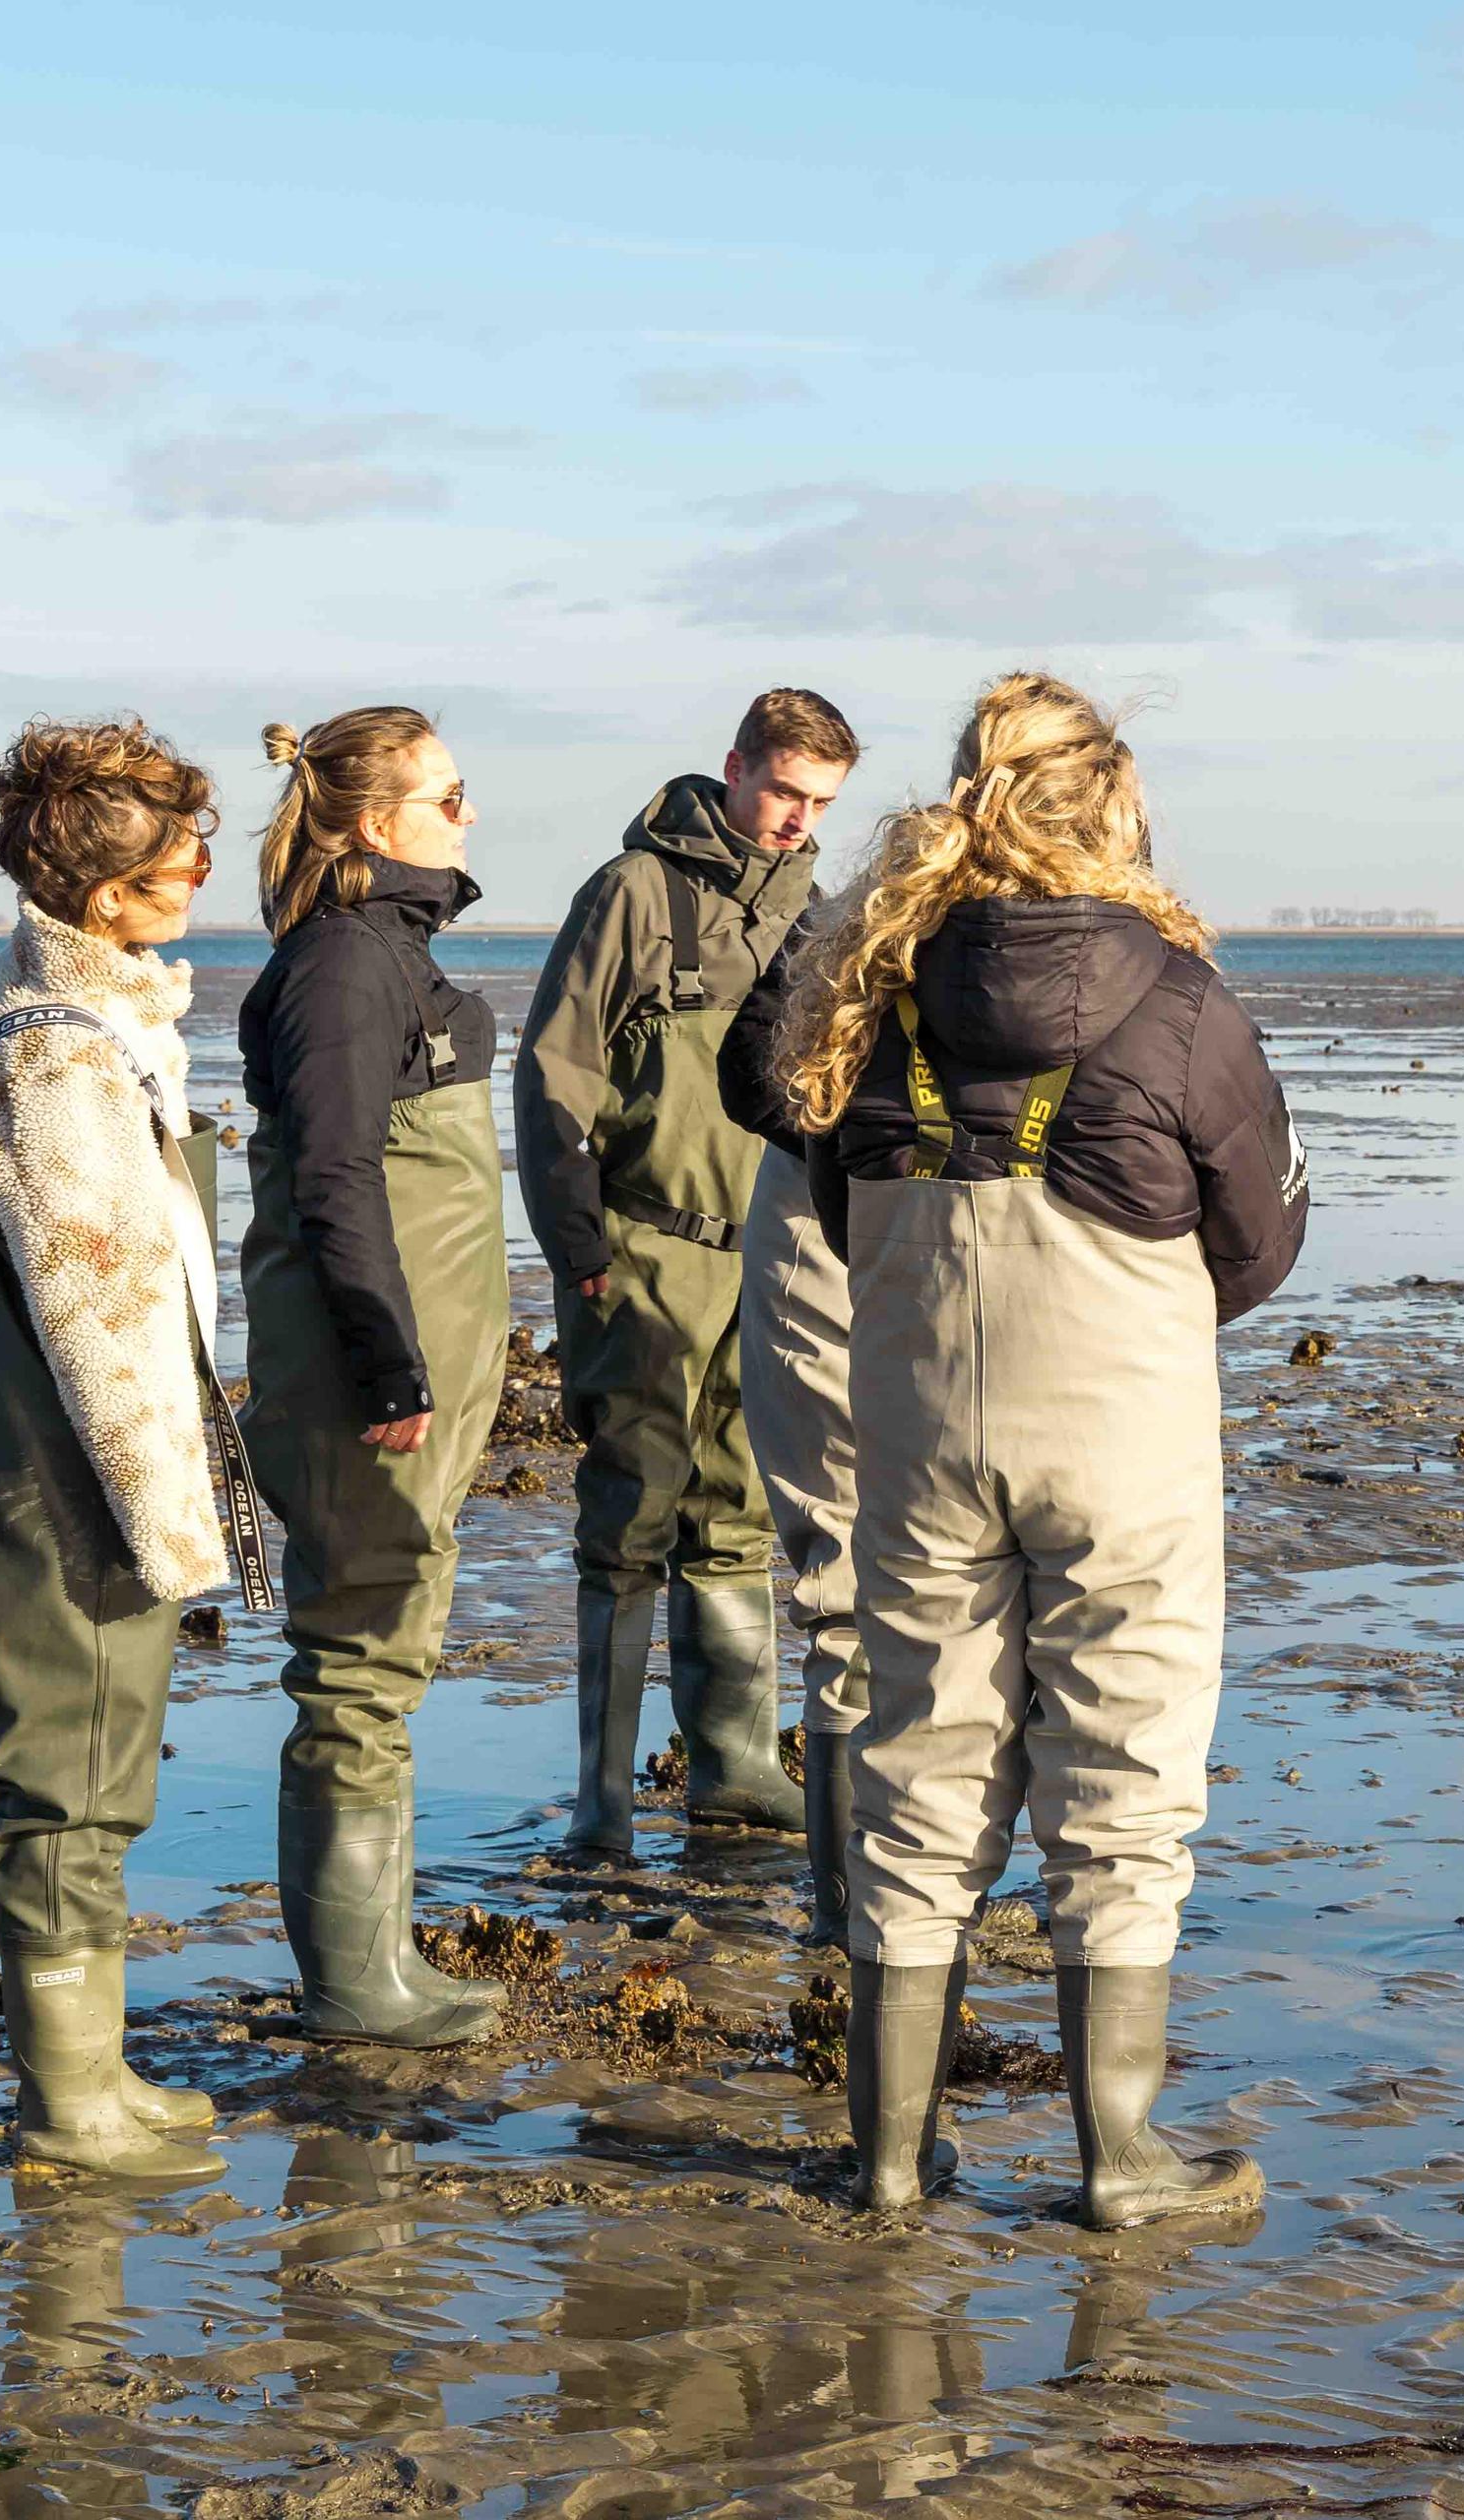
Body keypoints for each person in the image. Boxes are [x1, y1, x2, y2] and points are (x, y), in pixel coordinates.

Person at [775, 670, 1309, 2227]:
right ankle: (1123, 2157)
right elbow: (1263, 1233)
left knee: (920, 1763)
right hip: (1122, 1431)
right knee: (1125, 1773)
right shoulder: (1183, 999)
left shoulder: (872, 987)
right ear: (1117, 812)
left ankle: (886, 2158)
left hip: (924, 1428)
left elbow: (828, 1205)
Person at [0, 717, 264, 2179]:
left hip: (58, 1437)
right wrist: (170, 1515)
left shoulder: (86, 1011)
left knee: (103, 1747)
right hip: (57, 1454)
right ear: (107, 892)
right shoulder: (55, 1047)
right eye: (178, 847)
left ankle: (97, 2075)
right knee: (65, 1754)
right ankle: (68, 2104)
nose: (203, 861)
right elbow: (101, 1306)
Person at [516, 690, 859, 1858]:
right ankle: (601, 1805)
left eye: (818, 804)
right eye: (781, 792)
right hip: (641, 1253)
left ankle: (734, 1769)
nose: (793, 820)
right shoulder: (632, 894)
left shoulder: (821, 911)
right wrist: (580, 1252)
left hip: (770, 1256)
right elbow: (551, 1073)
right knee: (626, 1522)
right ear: (733, 769)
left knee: (742, 1515)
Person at [237, 707, 511, 2049]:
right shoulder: (346, 965)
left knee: (386, 1646)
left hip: (409, 1376)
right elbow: (337, 1174)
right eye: (450, 800)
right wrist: (391, 1364)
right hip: (367, 1382)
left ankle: (378, 1960)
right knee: (356, 1650)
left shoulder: (381, 954)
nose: (470, 822)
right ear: (370, 821)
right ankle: (355, 1984)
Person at [722, 891, 858, 1943]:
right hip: (829, 1242)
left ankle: (882, 1908)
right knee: (852, 1585)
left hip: (957, 1265)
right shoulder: (856, 916)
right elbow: (752, 1068)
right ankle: (857, 1913)